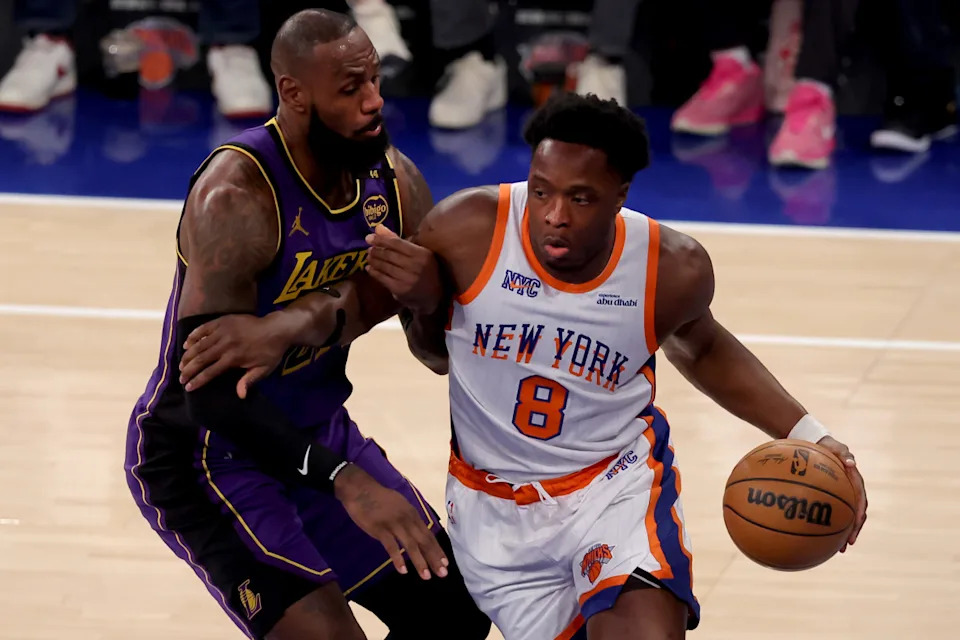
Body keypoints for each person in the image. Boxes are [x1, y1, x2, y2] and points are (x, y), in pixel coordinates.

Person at [364, 92, 869, 638]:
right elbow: (435, 357)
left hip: (613, 489)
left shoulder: (670, 267)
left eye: (581, 198)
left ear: (620, 195)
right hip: (493, 510)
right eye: (541, 191)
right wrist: (422, 304)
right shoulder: (465, 230)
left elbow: (702, 346)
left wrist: (813, 435)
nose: (555, 215)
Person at [123, 9, 490, 640]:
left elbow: (436, 355)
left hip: (315, 431)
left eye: (375, 80)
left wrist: (428, 298)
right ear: (293, 92)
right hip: (206, 454)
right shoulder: (236, 194)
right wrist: (344, 480)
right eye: (350, 89)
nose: (374, 102)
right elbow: (209, 394)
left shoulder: (396, 184)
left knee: (452, 617)